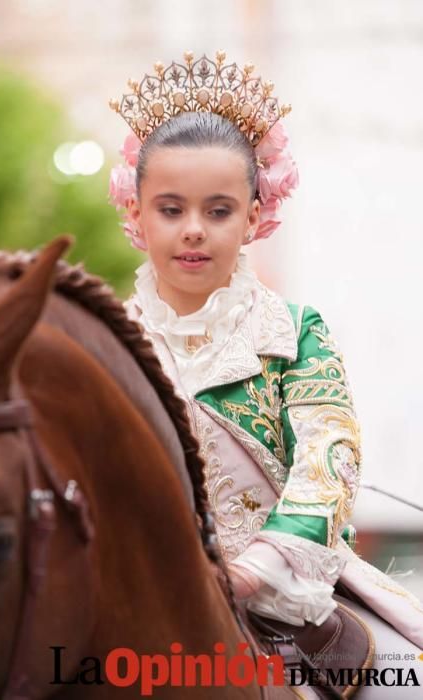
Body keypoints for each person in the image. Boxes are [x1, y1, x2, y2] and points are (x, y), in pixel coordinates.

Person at [109, 51, 423, 691]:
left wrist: (252, 570)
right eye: (171, 209)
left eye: (218, 210)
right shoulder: (110, 344)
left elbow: (327, 462)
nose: (193, 231)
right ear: (136, 215)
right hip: (129, 588)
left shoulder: (296, 334)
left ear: (254, 216)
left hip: (286, 594)